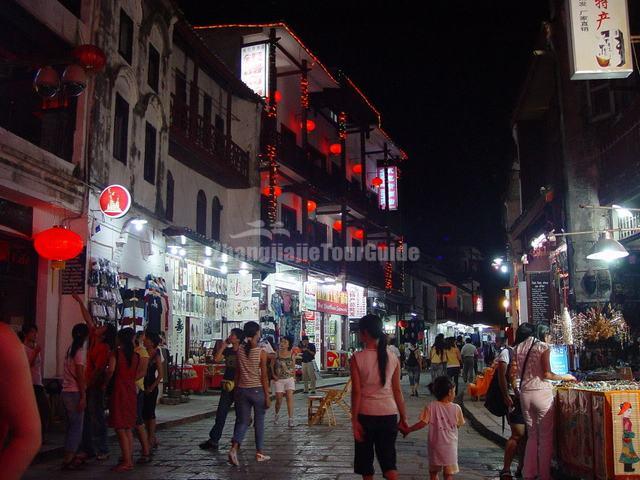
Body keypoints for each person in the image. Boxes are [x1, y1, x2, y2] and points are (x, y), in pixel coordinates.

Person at [513, 323, 575, 480]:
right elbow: (547, 373)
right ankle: (544, 475)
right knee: (545, 437)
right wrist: (565, 376)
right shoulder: (542, 346)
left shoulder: (517, 348)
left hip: (525, 394)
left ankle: (529, 473)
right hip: (542, 393)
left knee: (532, 435)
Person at [351, 314, 408, 480]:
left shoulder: (357, 358)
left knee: (366, 464)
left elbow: (356, 392)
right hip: (389, 414)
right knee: (389, 463)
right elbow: (397, 391)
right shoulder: (393, 357)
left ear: (365, 333)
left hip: (365, 415)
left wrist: (354, 421)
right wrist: (403, 417)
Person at [72, 293, 115, 463]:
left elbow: (98, 369)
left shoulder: (103, 348)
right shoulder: (93, 340)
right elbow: (88, 319)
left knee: (96, 417)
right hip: (88, 383)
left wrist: (88, 384)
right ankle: (88, 448)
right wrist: (81, 302)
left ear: (104, 334)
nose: (98, 326)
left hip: (94, 386)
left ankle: (102, 448)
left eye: (102, 327)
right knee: (88, 417)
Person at [0, 322, 41, 480]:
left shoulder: (6, 341)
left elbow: (29, 436)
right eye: (33, 332)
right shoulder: (9, 342)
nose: (35, 335)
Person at [403, 376, 465, 480]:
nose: (454, 393)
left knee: (433, 473)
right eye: (454, 391)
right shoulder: (456, 408)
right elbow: (458, 424)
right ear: (450, 392)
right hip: (450, 447)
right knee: (448, 474)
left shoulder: (431, 406)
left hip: (435, 446)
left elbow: (422, 423)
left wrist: (409, 429)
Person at [228, 321, 271, 466]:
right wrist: (267, 395)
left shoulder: (240, 350)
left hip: (241, 390)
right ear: (256, 334)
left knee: (243, 421)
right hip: (257, 390)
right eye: (258, 332)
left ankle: (234, 449)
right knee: (259, 422)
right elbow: (264, 376)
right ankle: (259, 453)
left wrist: (235, 390)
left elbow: (238, 372)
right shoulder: (261, 353)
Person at [105, 328, 145, 472]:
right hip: (130, 391)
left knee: (120, 427)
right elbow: (138, 373)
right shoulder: (136, 356)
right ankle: (129, 459)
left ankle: (127, 460)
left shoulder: (116, 353)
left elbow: (111, 371)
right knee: (128, 427)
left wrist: (105, 382)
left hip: (119, 390)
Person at [200, 328, 243, 451]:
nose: (230, 336)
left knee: (239, 415)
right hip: (227, 384)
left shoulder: (243, 351)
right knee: (221, 413)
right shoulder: (229, 351)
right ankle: (214, 439)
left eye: (233, 335)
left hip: (239, 385)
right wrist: (224, 345)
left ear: (238, 338)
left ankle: (236, 441)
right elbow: (217, 359)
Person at [495, 334, 525, 480]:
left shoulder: (528, 353)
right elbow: (503, 376)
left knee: (525, 436)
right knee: (517, 434)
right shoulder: (508, 353)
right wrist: (506, 395)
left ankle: (522, 466)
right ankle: (506, 469)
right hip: (514, 399)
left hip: (528, 397)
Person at [61, 323, 89, 469]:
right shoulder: (79, 352)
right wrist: (84, 395)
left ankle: (71, 454)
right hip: (75, 392)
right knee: (76, 426)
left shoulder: (70, 350)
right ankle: (69, 458)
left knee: (71, 425)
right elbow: (79, 375)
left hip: (66, 390)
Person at [21, 324, 49, 436]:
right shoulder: (23, 348)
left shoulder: (35, 347)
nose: (35, 335)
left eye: (36, 332)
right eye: (33, 332)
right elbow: (26, 365)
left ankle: (39, 435)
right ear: (26, 333)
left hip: (38, 383)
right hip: (29, 384)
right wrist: (35, 352)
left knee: (43, 411)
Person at [143, 331, 163, 450]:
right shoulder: (142, 352)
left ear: (151, 341)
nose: (144, 340)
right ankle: (151, 437)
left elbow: (160, 374)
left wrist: (152, 387)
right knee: (144, 413)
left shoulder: (156, 354)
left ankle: (151, 437)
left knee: (150, 412)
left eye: (147, 339)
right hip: (143, 384)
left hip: (151, 384)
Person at [133, 332, 152, 463]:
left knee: (138, 420)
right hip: (128, 388)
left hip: (136, 388)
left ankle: (146, 449)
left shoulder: (142, 352)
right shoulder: (132, 351)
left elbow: (142, 372)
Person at [272, 336, 296, 427]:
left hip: (289, 379)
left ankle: (290, 419)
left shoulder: (292, 354)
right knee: (279, 399)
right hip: (279, 379)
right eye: (281, 342)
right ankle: (277, 414)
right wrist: (274, 375)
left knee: (289, 397)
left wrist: (293, 376)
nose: (282, 344)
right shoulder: (276, 353)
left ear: (289, 344)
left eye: (285, 342)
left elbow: (293, 366)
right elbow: (271, 365)